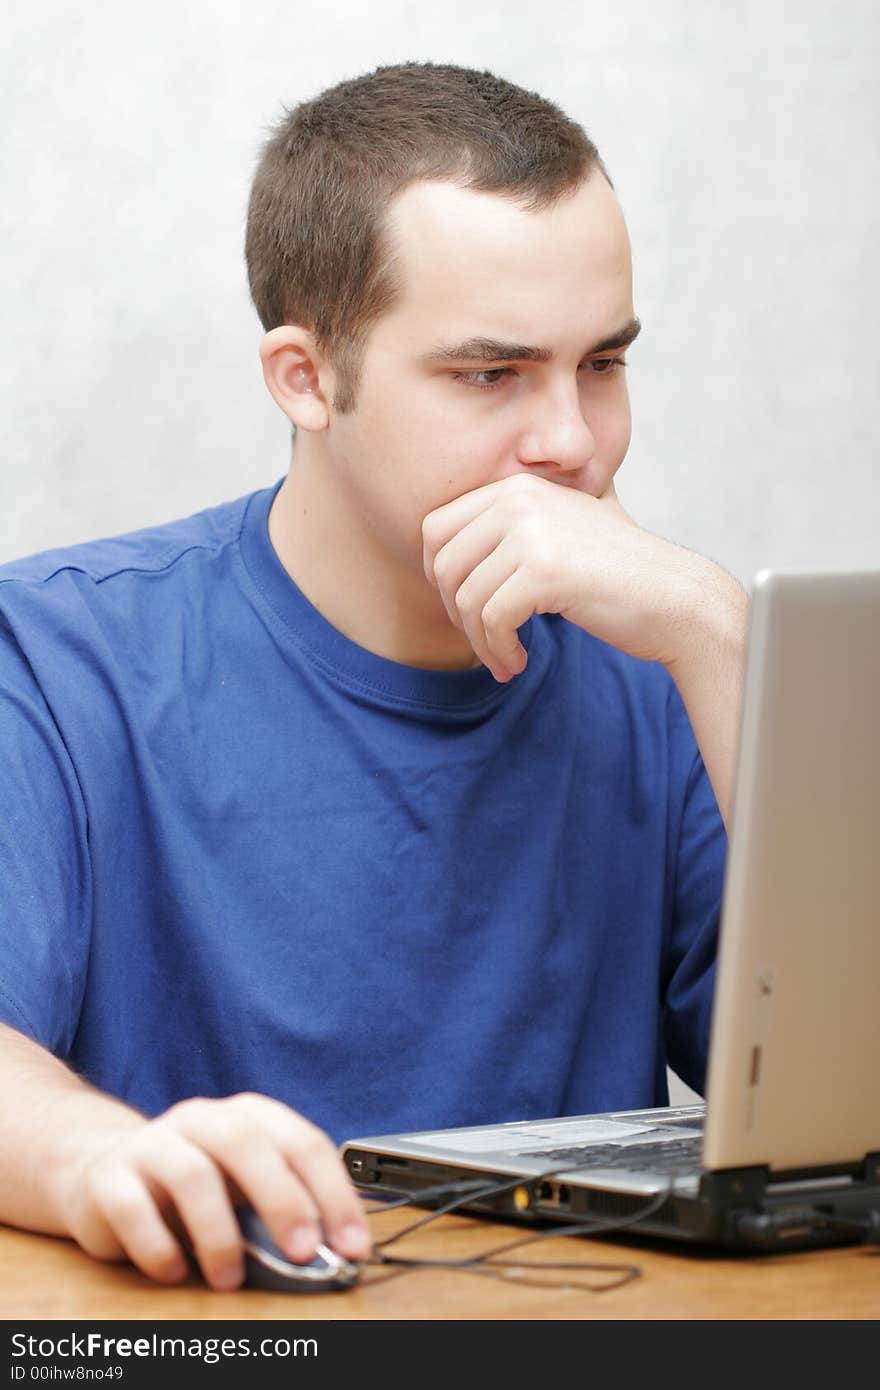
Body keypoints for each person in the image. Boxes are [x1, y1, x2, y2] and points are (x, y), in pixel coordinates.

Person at [0, 60, 747, 1292]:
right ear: (304, 377)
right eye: (490, 374)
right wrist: (100, 1157)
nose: (571, 441)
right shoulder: (57, 659)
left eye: (602, 364)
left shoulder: (663, 665)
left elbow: (853, 1093)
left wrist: (720, 636)